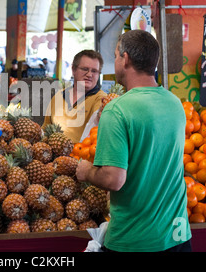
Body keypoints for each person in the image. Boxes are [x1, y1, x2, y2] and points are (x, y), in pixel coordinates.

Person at [76, 30, 192, 252]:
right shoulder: (175, 103)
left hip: (135, 240)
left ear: (126, 59)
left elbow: (113, 179)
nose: (117, 60)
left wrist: (87, 171)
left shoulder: (117, 110)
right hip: (178, 237)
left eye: (117, 55)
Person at [41, 49, 107, 143]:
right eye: (85, 69)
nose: (89, 74)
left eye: (94, 71)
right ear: (73, 70)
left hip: (82, 155)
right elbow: (45, 128)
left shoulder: (101, 99)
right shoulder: (58, 96)